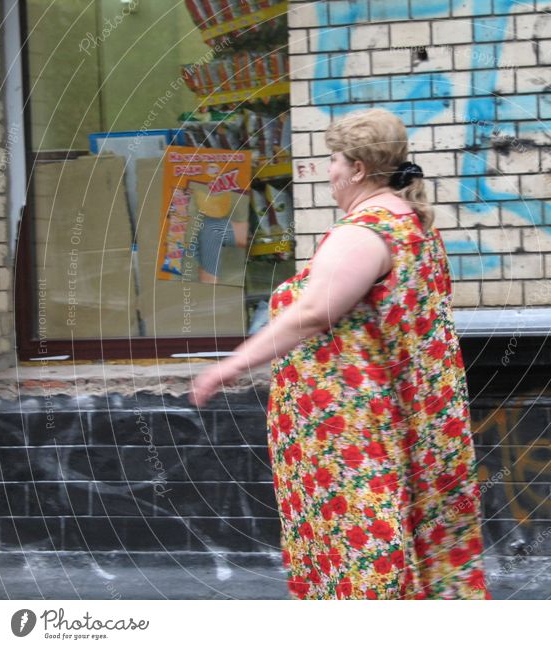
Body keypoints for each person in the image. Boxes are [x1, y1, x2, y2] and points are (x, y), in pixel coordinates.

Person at [190, 108, 490, 599]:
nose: (327, 169)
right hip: (397, 418)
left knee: (362, 548)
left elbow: (312, 313)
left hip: (352, 431)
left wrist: (230, 366)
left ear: (356, 168)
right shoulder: (411, 223)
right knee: (404, 543)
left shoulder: (365, 232)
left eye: (333, 158)